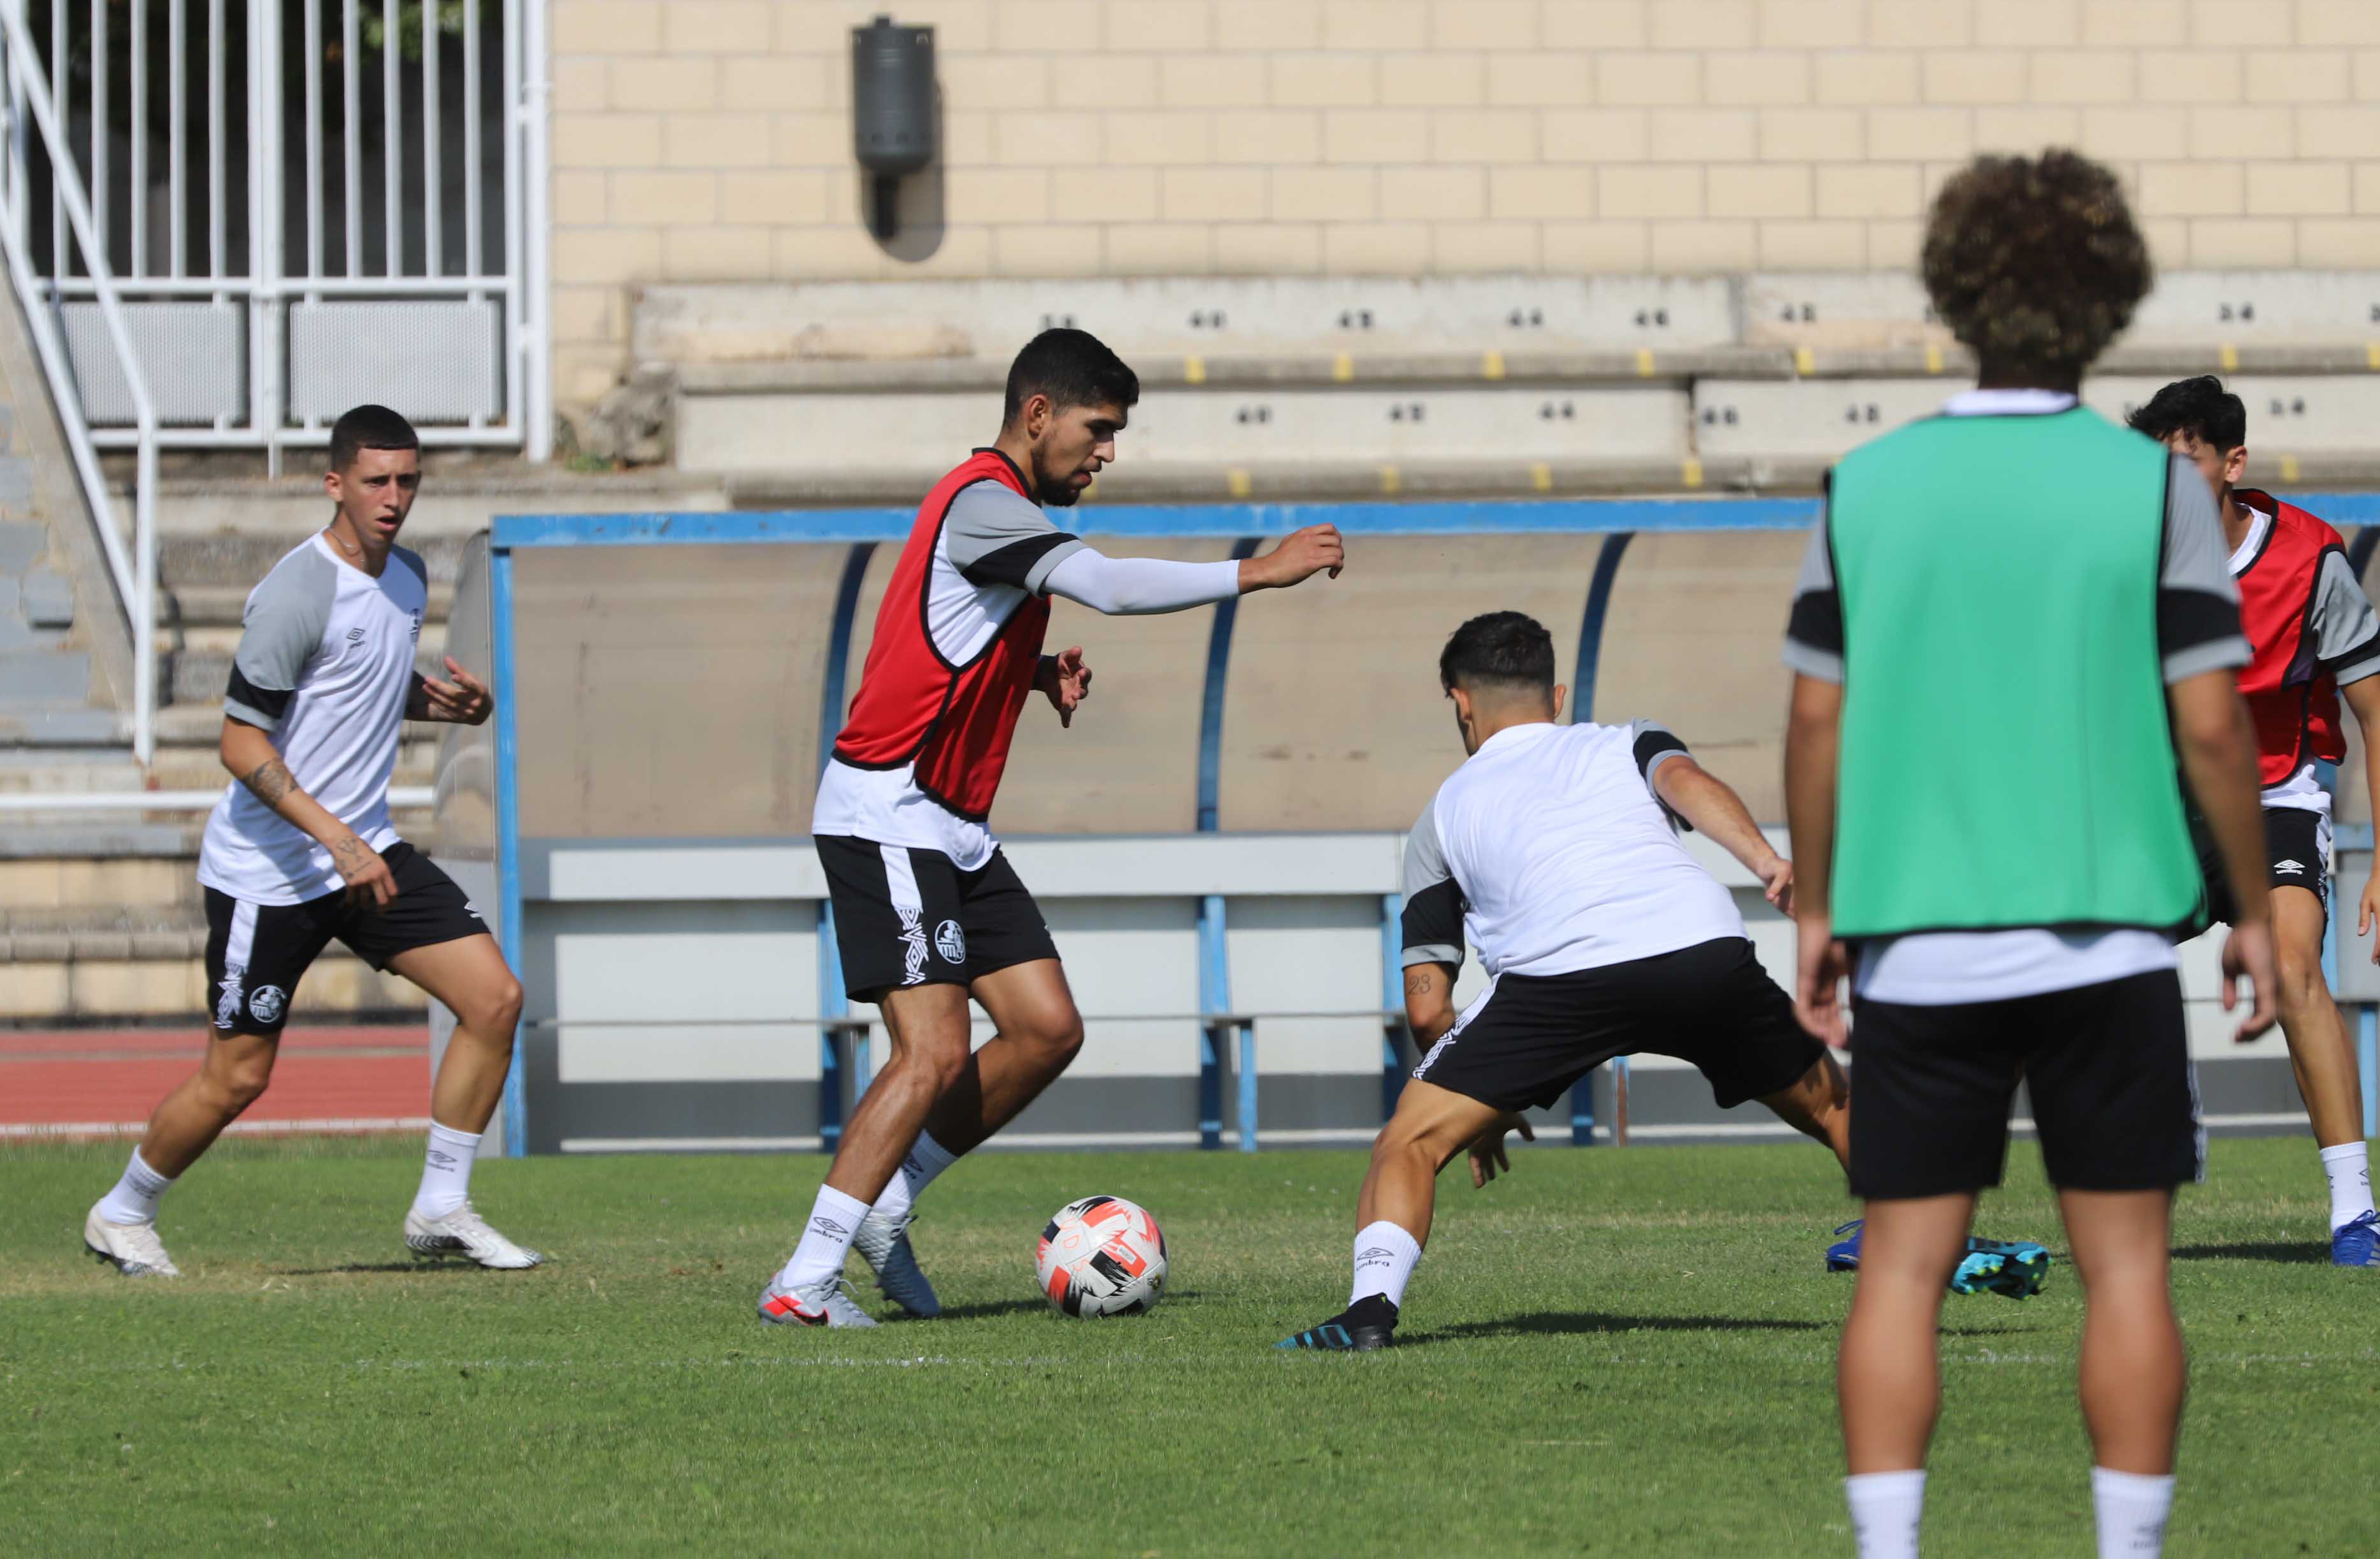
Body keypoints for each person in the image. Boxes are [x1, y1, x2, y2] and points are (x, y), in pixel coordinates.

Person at [1784, 150, 2279, 1559]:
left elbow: (1815, 717)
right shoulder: (2156, 490)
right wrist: (2246, 903)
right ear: (2108, 304)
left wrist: (1816, 903)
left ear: (1953, 292)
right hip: (2110, 935)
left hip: (1922, 938)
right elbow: (2205, 724)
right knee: (2127, 1271)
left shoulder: (1867, 484)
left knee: (1900, 1265)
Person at [761, 328, 1346, 1326]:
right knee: (932, 1053)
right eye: (1099, 429)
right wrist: (1257, 571)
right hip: (888, 811)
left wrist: (1026, 675)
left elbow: (938, 643)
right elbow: (1112, 586)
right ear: (1039, 414)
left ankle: (886, 1207)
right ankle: (803, 1282)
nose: (1107, 452)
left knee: (1045, 1029)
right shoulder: (984, 500)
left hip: (951, 826)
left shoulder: (1001, 515)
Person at [1275, 612, 2044, 1354]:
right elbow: (1683, 780)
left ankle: (1368, 1311)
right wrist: (1767, 861)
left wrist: (1479, 1105)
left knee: (1405, 1142)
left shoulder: (1438, 819)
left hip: (1558, 979)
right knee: (1833, 1100)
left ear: (1459, 700)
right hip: (1699, 950)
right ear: (1558, 696)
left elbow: (1428, 1003)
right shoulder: (1624, 740)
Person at [83, 405, 538, 1277]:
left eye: (407, 480)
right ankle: (122, 1210)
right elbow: (240, 742)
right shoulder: (299, 588)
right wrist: (336, 840)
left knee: (494, 1000)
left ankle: (443, 1205)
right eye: (376, 481)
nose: (394, 498)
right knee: (238, 1080)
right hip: (272, 871)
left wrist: (437, 705)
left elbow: (350, 686)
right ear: (335, 484)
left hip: (362, 850)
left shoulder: (405, 576)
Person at [2125, 374, 2380, 1267]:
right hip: (2160, 796)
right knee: (2081, 961)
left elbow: (2374, 712)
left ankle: (2356, 1210)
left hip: (2277, 789)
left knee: (2292, 957)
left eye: (2182, 466)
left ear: (2233, 463)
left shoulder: (2312, 560)